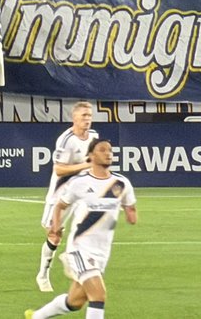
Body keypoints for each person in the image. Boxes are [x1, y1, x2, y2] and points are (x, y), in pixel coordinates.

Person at [26, 138, 137, 319]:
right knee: (98, 295)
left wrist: (130, 213)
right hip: (79, 249)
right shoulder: (80, 182)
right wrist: (56, 225)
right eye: (102, 150)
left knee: (75, 301)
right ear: (91, 156)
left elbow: (131, 208)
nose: (108, 153)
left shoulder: (121, 183)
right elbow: (60, 205)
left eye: (110, 150)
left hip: (101, 252)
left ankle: (37, 316)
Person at [36, 102, 98, 293]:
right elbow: (59, 169)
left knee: (87, 229)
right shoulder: (66, 140)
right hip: (60, 194)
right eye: (83, 116)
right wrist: (84, 166)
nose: (87, 119)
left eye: (89, 116)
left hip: (81, 193)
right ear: (74, 118)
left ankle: (74, 258)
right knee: (54, 234)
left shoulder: (94, 136)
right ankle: (43, 274)